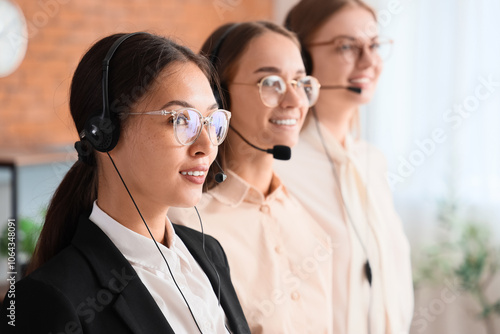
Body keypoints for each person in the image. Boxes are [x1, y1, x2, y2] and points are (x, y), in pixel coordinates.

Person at [1, 32, 250, 334]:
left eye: (212, 121)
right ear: (104, 133)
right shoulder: (50, 299)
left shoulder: (208, 253)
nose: (206, 145)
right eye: (180, 120)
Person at [168, 21, 334, 333]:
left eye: (300, 83)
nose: (295, 101)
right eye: (271, 82)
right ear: (219, 95)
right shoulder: (184, 223)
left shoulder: (305, 216)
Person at [274, 1, 414, 333]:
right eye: (347, 47)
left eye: (375, 46)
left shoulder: (371, 160)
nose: (369, 62)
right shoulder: (278, 166)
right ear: (302, 60)